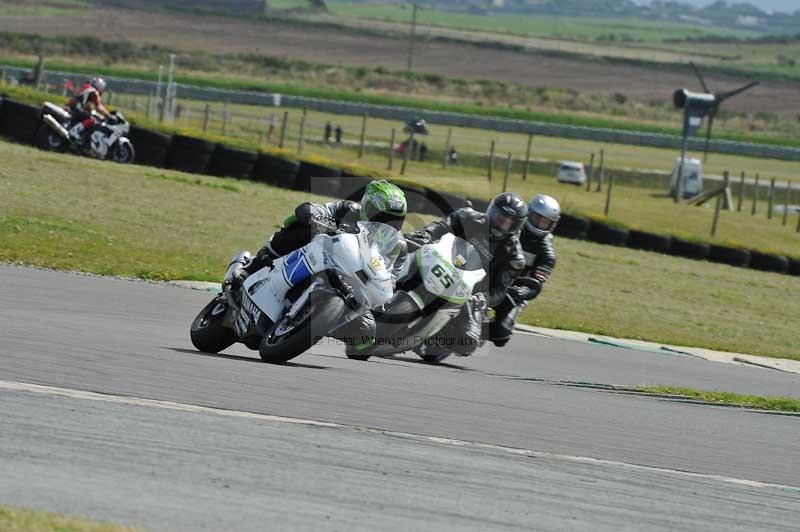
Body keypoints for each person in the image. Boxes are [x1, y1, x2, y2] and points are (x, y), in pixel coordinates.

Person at [236, 180, 408, 356]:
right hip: (317, 256)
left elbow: (391, 279)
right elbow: (315, 209)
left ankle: (311, 323)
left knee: (366, 335)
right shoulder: (348, 209)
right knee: (300, 227)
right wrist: (313, 215)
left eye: (394, 220)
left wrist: (383, 293)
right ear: (367, 207)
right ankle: (253, 265)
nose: (387, 224)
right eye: (382, 217)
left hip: (351, 285)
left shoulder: (398, 247)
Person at [405, 192, 528, 357]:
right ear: (492, 211)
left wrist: (483, 298)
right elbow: (440, 227)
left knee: (467, 342)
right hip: (440, 265)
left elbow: (499, 290)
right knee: (407, 253)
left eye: (508, 222)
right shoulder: (467, 217)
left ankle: (436, 338)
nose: (502, 223)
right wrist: (425, 234)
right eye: (500, 217)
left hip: (469, 293)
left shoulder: (513, 256)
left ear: (515, 226)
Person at [489, 194, 559, 347]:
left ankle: (471, 333)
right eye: (537, 218)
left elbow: (536, 283)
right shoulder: (512, 228)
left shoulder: (547, 254)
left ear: (551, 225)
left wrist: (522, 291)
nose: (540, 224)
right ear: (529, 213)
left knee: (501, 335)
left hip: (512, 290)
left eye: (545, 222)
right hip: (492, 274)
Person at [66, 77, 110, 145]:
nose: (102, 90)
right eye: (102, 88)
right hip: (76, 109)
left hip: (70, 107)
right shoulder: (94, 91)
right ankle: (74, 132)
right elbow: (99, 107)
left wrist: (88, 109)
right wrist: (108, 115)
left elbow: (83, 101)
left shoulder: (85, 86)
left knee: (87, 115)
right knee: (92, 120)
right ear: (99, 86)